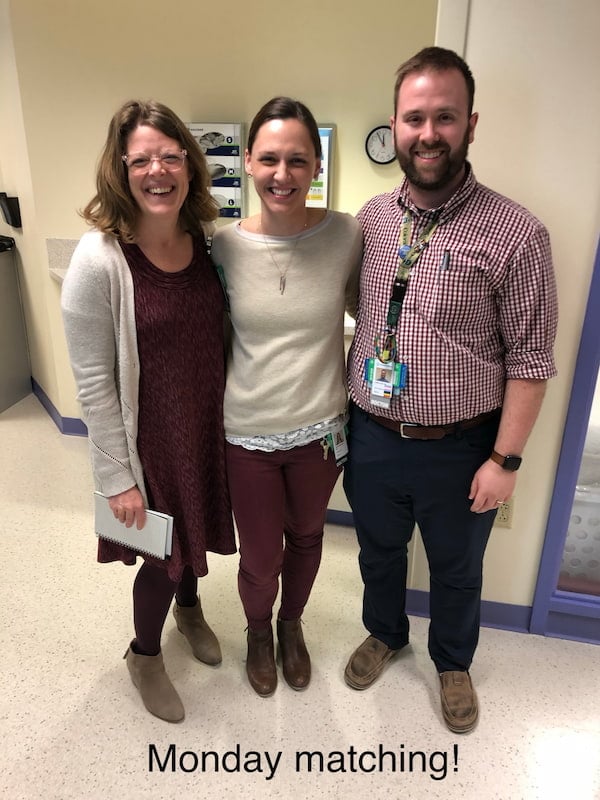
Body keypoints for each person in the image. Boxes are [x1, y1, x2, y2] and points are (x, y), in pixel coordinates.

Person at [343, 47, 558, 733]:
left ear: (470, 124)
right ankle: (386, 631)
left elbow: (531, 361)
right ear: (395, 125)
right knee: (376, 551)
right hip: (372, 435)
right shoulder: (373, 218)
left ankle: (453, 660)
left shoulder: (518, 234)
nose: (428, 132)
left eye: (444, 116)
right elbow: (355, 309)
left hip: (462, 449)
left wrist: (505, 461)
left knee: (458, 568)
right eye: (414, 118)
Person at [61, 100, 236, 723]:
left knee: (195, 539)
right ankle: (145, 655)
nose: (157, 170)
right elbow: (92, 383)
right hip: (147, 443)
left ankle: (191, 611)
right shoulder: (99, 259)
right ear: (121, 170)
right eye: (141, 159)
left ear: (189, 163)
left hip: (203, 431)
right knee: (165, 557)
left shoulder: (207, 243)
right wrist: (116, 479)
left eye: (170, 155)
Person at [211, 97, 362, 696]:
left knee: (307, 536)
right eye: (269, 158)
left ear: (316, 165)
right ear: (247, 161)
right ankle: (256, 630)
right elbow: (213, 338)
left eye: (298, 160)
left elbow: (371, 315)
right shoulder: (221, 247)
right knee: (259, 554)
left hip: (321, 429)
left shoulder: (345, 234)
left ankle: (291, 627)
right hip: (246, 431)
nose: (282, 174)